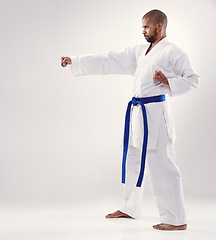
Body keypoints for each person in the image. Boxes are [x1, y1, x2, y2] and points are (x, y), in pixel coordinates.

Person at [61, 9, 199, 231]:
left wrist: (168, 81)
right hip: (137, 113)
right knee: (133, 159)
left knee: (162, 164)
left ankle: (175, 218)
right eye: (142, 27)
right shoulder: (140, 51)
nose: (143, 30)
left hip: (156, 114)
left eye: (146, 27)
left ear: (159, 27)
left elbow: (193, 80)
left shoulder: (173, 52)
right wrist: (75, 62)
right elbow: (110, 59)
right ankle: (129, 207)